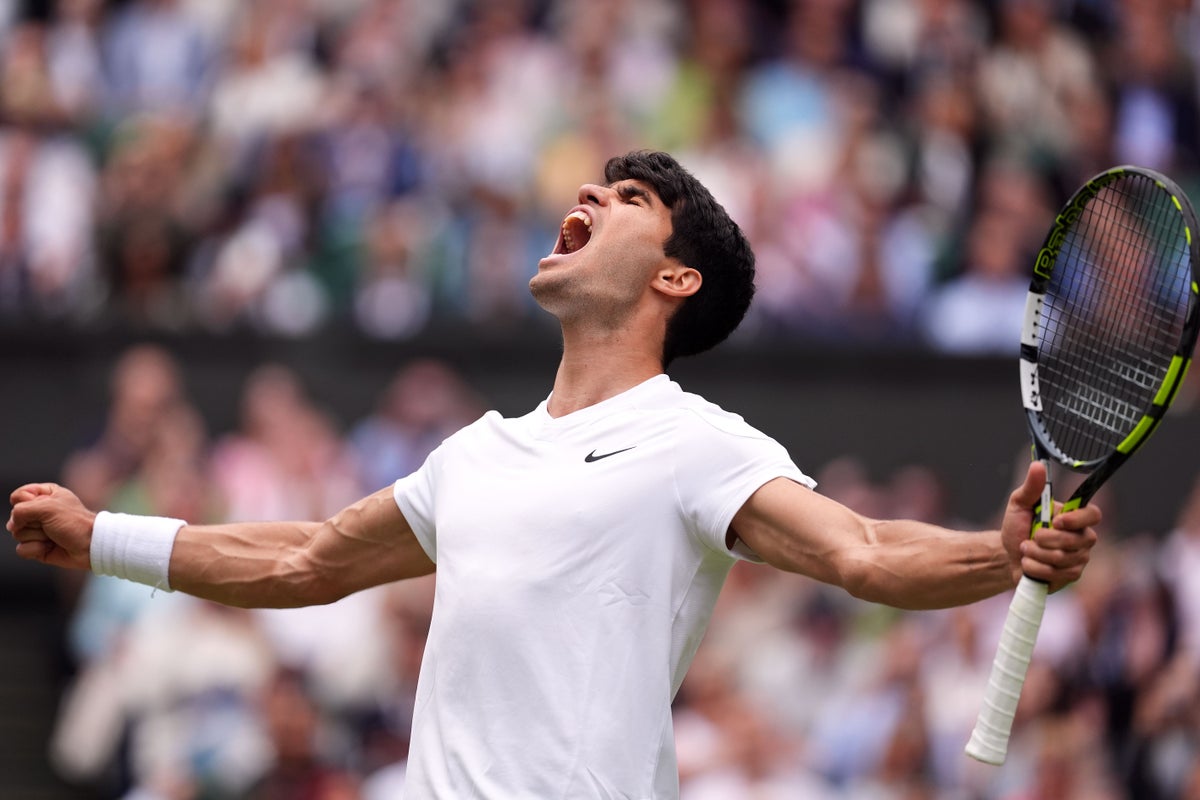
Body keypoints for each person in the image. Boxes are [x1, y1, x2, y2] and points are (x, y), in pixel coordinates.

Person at [8, 150, 1099, 799]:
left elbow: (862, 550)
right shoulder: (472, 455)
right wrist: (104, 533)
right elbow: (298, 556)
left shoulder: (697, 442)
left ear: (676, 275)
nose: (589, 190)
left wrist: (999, 555)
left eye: (628, 196)